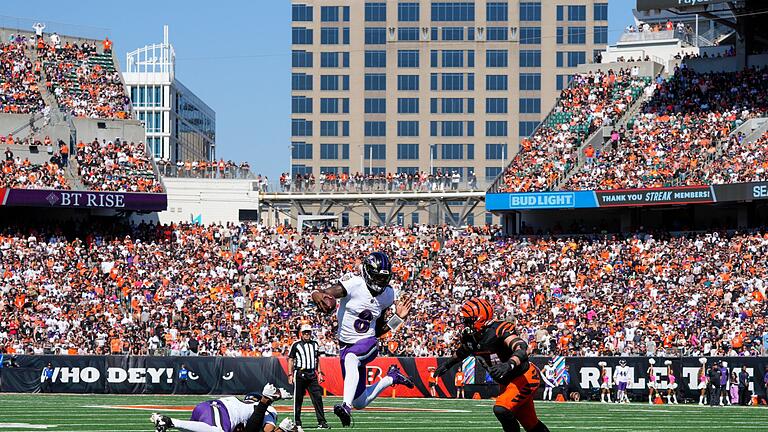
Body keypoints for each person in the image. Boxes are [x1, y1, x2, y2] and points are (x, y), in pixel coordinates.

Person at [312, 251, 415, 427]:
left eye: (384, 278)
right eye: (377, 277)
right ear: (367, 272)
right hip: (346, 345)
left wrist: (398, 318)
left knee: (352, 359)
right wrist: (317, 295)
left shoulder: (388, 295)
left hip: (367, 343)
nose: (381, 282)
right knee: (360, 401)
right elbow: (323, 293)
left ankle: (345, 406)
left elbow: (378, 331)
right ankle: (391, 378)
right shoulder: (354, 284)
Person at [433, 298, 550, 432]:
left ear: (480, 319)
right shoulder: (471, 337)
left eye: (468, 320)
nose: (465, 324)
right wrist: (447, 365)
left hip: (524, 377)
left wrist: (509, 364)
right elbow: (463, 351)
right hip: (508, 383)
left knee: (501, 409)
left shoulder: (498, 330)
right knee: (530, 424)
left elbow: (521, 348)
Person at [151, 383, 294, 432]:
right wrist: (281, 429)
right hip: (221, 411)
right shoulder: (265, 410)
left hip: (205, 408)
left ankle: (166, 423)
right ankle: (170, 422)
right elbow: (267, 430)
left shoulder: (243, 405)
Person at [287, 323, 329, 429]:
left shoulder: (315, 344)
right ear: (301, 333)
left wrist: (319, 373)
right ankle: (297, 422)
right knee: (298, 399)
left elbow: (317, 359)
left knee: (317, 398)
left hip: (312, 374)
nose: (307, 334)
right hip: (300, 374)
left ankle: (322, 422)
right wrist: (290, 374)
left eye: (308, 332)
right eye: (305, 333)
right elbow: (290, 359)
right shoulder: (296, 344)